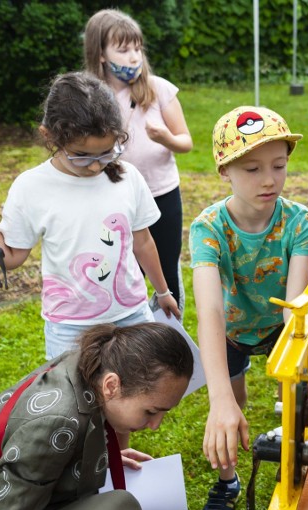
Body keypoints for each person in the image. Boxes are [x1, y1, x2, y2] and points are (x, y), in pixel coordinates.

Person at [0, 72, 180, 360]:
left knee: (145, 392)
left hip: (131, 315)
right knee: (79, 404)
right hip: (70, 329)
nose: (96, 167)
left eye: (107, 153)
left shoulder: (127, 177)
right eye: (82, 156)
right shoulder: (31, 187)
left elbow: (143, 242)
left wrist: (162, 292)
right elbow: (11, 257)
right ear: (49, 136)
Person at [0, 322, 194, 510]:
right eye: (151, 411)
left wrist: (93, 459)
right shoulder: (56, 425)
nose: (155, 425)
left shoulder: (90, 363)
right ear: (111, 385)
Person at [189, 106, 308, 510]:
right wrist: (219, 400)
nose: (269, 179)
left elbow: (294, 306)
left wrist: (306, 378)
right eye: (252, 169)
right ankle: (228, 482)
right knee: (231, 408)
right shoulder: (208, 228)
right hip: (231, 329)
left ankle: (301, 485)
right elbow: (207, 310)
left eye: (279, 166)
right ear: (224, 170)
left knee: (302, 407)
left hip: (282, 324)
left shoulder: (299, 222)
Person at [84, 9, 193, 312]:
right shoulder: (90, 97)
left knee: (166, 271)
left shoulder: (158, 89)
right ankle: (128, 335)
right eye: (123, 49)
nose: (133, 57)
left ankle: (171, 339)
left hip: (162, 195)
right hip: (113, 197)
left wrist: (166, 140)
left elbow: (186, 142)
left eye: (137, 48)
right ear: (101, 54)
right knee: (118, 272)